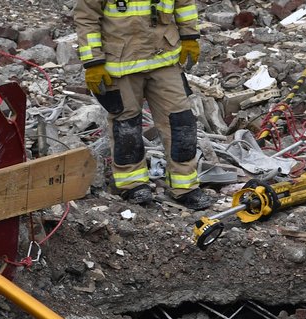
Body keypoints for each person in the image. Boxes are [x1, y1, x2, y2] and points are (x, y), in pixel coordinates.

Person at [74, 0, 215, 208]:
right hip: (120, 64)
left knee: (180, 122)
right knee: (126, 126)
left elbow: (184, 4)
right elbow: (87, 18)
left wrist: (190, 37)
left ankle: (185, 186)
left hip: (164, 58)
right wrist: (93, 62)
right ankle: (132, 185)